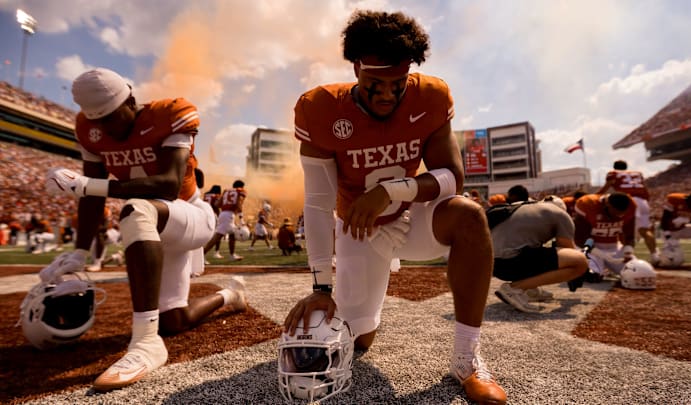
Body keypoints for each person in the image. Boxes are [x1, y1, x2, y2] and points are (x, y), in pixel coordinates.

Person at [282, 10, 506, 404]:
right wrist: (320, 285)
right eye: (375, 84)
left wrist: (391, 190)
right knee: (360, 340)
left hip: (411, 217)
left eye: (397, 84)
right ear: (356, 69)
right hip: (360, 229)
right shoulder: (321, 108)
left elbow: (453, 177)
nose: (387, 94)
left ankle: (466, 358)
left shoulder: (430, 96)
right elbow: (318, 203)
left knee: (469, 215)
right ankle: (369, 295)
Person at [44, 67, 247, 392]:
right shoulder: (89, 130)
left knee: (136, 208)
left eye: (111, 117)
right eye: (98, 122)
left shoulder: (170, 114)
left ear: (131, 101)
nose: (107, 128)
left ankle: (145, 343)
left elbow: (167, 185)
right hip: (151, 226)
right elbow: (91, 197)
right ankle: (230, 296)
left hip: (190, 216)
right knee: (174, 321)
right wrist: (79, 252)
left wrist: (86, 185)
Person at [492, 196, 588, 313]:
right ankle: (515, 289)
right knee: (579, 261)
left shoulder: (523, 206)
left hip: (492, 265)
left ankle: (530, 289)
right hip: (511, 263)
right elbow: (568, 251)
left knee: (534, 247)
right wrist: (576, 275)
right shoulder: (561, 215)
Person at [597, 160, 660, 265]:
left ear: (614, 167)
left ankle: (626, 255)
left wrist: (596, 195)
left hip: (628, 201)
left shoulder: (614, 174)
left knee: (622, 229)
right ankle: (655, 256)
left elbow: (606, 188)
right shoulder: (637, 174)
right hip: (643, 201)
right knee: (645, 230)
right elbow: (645, 190)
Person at [573, 192, 637, 279]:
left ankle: (604, 268)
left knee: (635, 270)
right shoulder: (588, 204)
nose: (619, 216)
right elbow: (580, 239)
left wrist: (627, 251)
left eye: (622, 214)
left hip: (613, 247)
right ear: (607, 205)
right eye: (616, 213)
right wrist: (600, 254)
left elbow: (630, 235)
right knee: (593, 275)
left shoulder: (631, 206)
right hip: (590, 249)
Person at [203, 180, 246, 261]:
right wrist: (241, 218)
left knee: (232, 235)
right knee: (218, 236)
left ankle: (232, 255)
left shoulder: (226, 191)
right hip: (229, 215)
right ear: (242, 186)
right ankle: (203, 254)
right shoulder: (240, 191)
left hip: (223, 213)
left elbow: (217, 204)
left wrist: (226, 205)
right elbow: (239, 203)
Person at [202, 184, 223, 258]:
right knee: (218, 234)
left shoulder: (206, 195)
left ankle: (200, 252)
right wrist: (219, 215)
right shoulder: (216, 195)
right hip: (212, 215)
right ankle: (216, 252)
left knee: (204, 234)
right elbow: (216, 206)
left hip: (203, 214)